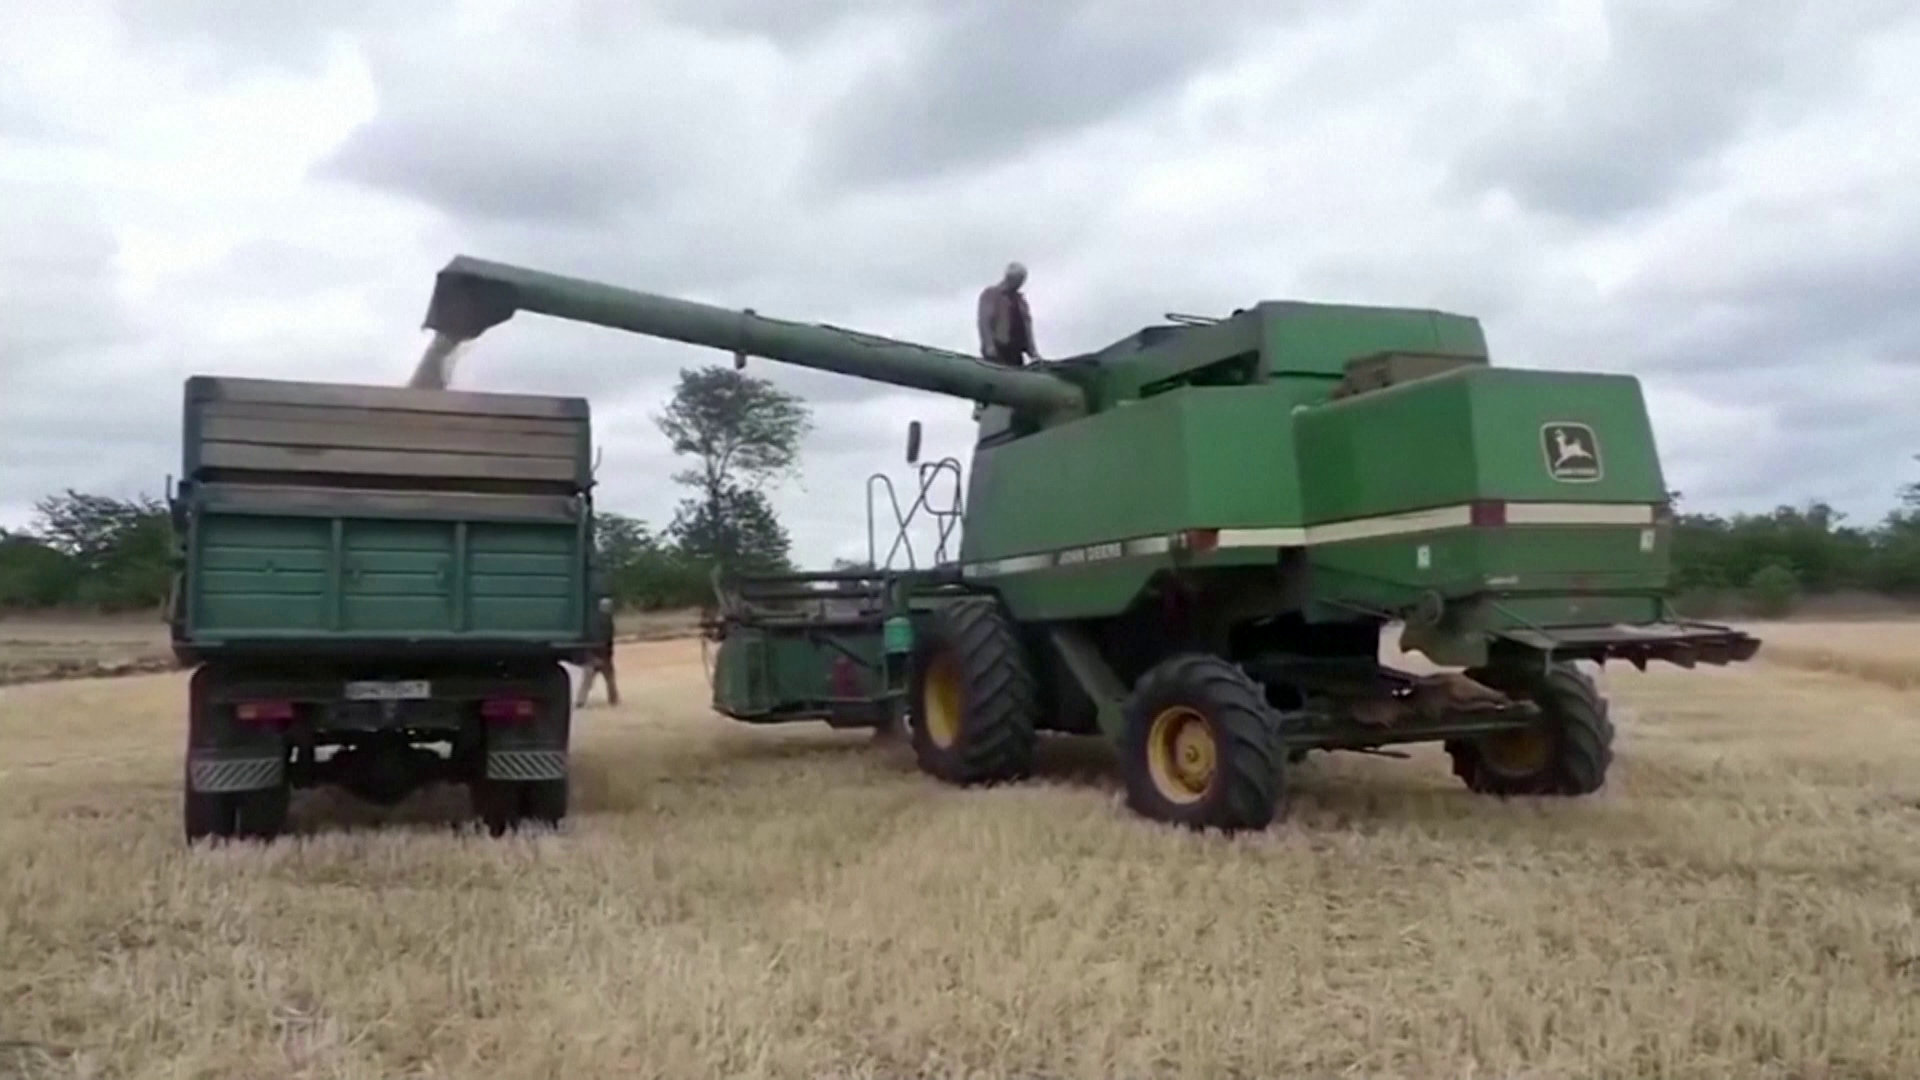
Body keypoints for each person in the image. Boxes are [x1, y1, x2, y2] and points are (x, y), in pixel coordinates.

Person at [977, 262, 1042, 367]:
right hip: (999, 347)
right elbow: (984, 322)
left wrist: (1033, 352)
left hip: (1016, 350)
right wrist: (989, 345)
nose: (1020, 284)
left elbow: (1027, 328)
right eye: (1019, 280)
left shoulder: (1021, 302)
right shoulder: (991, 294)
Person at [574, 595, 619, 708]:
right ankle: (613, 699)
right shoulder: (607, 622)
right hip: (601, 655)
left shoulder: (593, 621)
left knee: (587, 681)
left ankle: (580, 701)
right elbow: (607, 641)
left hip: (592, 655)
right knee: (609, 679)